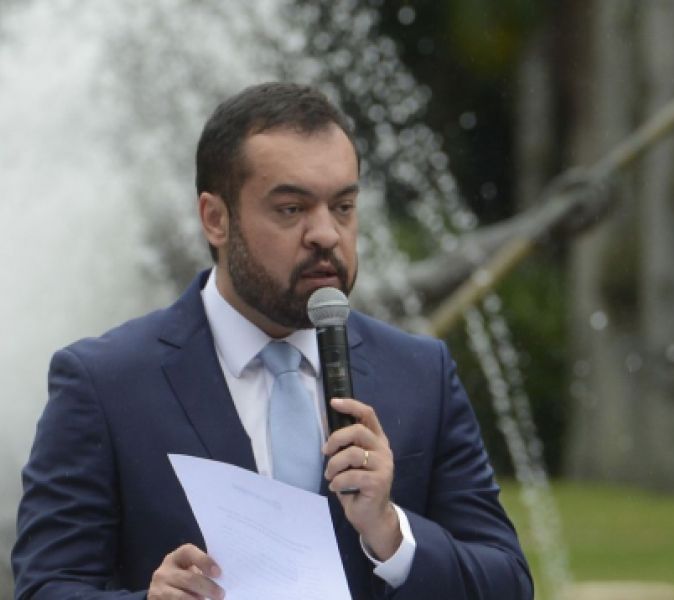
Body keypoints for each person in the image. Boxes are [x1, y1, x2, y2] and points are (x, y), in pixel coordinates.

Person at [12, 82, 533, 599]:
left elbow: (507, 583)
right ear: (215, 219)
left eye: (343, 207)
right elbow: (45, 587)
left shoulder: (420, 374)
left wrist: (392, 534)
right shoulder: (105, 383)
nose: (325, 234)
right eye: (291, 209)